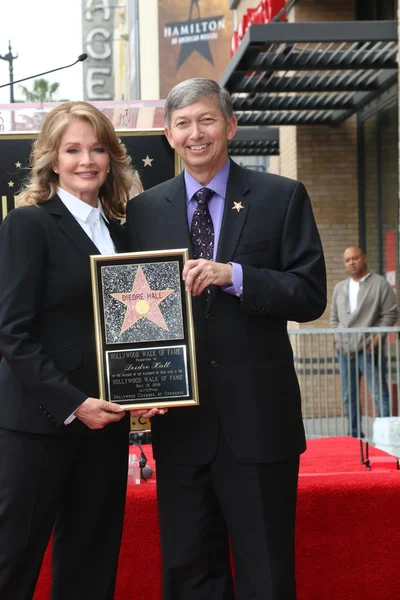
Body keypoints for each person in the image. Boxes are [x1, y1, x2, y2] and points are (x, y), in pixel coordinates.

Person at [125, 78, 326, 600]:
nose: (197, 134)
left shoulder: (282, 196)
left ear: (230, 126)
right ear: (168, 134)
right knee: (190, 574)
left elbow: (309, 295)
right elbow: (135, 317)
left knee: (266, 574)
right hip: (181, 429)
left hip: (260, 425)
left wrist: (234, 275)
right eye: (184, 124)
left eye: (207, 120)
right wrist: (139, 399)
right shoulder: (144, 212)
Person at [0, 101, 165, 600]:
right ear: (52, 159)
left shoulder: (121, 231)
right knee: (12, 558)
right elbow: (12, 333)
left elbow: (133, 325)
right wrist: (74, 404)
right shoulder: (28, 225)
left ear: (112, 157)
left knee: (91, 559)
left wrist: (150, 383)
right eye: (72, 149)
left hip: (107, 422)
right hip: (40, 423)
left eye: (96, 149)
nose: (86, 160)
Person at [330, 246, 397, 438]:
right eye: (347, 260)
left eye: (355, 258)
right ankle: (354, 436)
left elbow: (391, 313)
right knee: (348, 397)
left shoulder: (380, 284)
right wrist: (336, 338)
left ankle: (386, 438)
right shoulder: (340, 287)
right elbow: (334, 317)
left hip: (369, 350)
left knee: (379, 394)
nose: (351, 262)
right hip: (344, 350)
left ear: (364, 258)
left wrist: (376, 339)